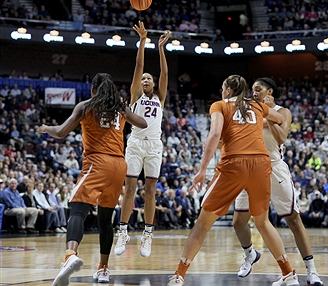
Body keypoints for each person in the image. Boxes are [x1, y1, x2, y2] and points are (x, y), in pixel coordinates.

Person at [167, 75, 299, 286]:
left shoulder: (220, 105)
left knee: (202, 224)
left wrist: (201, 170)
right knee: (263, 222)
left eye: (222, 88)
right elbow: (281, 119)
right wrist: (260, 122)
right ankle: (289, 273)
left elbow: (214, 135)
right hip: (260, 164)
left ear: (227, 91)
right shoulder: (256, 106)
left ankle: (179, 274)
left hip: (234, 164)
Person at [36, 73, 147, 286]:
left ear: (94, 89)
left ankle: (70, 256)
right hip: (119, 166)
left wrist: (45, 128)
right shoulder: (120, 108)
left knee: (77, 209)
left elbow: (60, 132)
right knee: (105, 219)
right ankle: (103, 269)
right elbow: (141, 123)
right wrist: (128, 109)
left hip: (98, 163)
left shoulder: (85, 106)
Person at [232, 77, 323, 286]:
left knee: (293, 220)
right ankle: (250, 255)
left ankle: (311, 271)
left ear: (269, 92)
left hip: (274, 167)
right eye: (252, 90)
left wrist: (268, 114)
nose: (254, 93)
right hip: (250, 169)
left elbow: (281, 138)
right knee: (238, 222)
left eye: (258, 89)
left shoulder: (283, 112)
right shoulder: (247, 110)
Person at [114, 21, 170, 258]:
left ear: (155, 84)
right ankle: (123, 231)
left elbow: (165, 72)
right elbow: (138, 65)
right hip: (135, 143)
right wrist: (143, 41)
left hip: (155, 145)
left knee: (150, 191)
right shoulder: (135, 95)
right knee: (129, 189)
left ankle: (148, 233)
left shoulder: (160, 98)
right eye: (144, 78)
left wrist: (161, 48)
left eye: (149, 78)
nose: (146, 79)